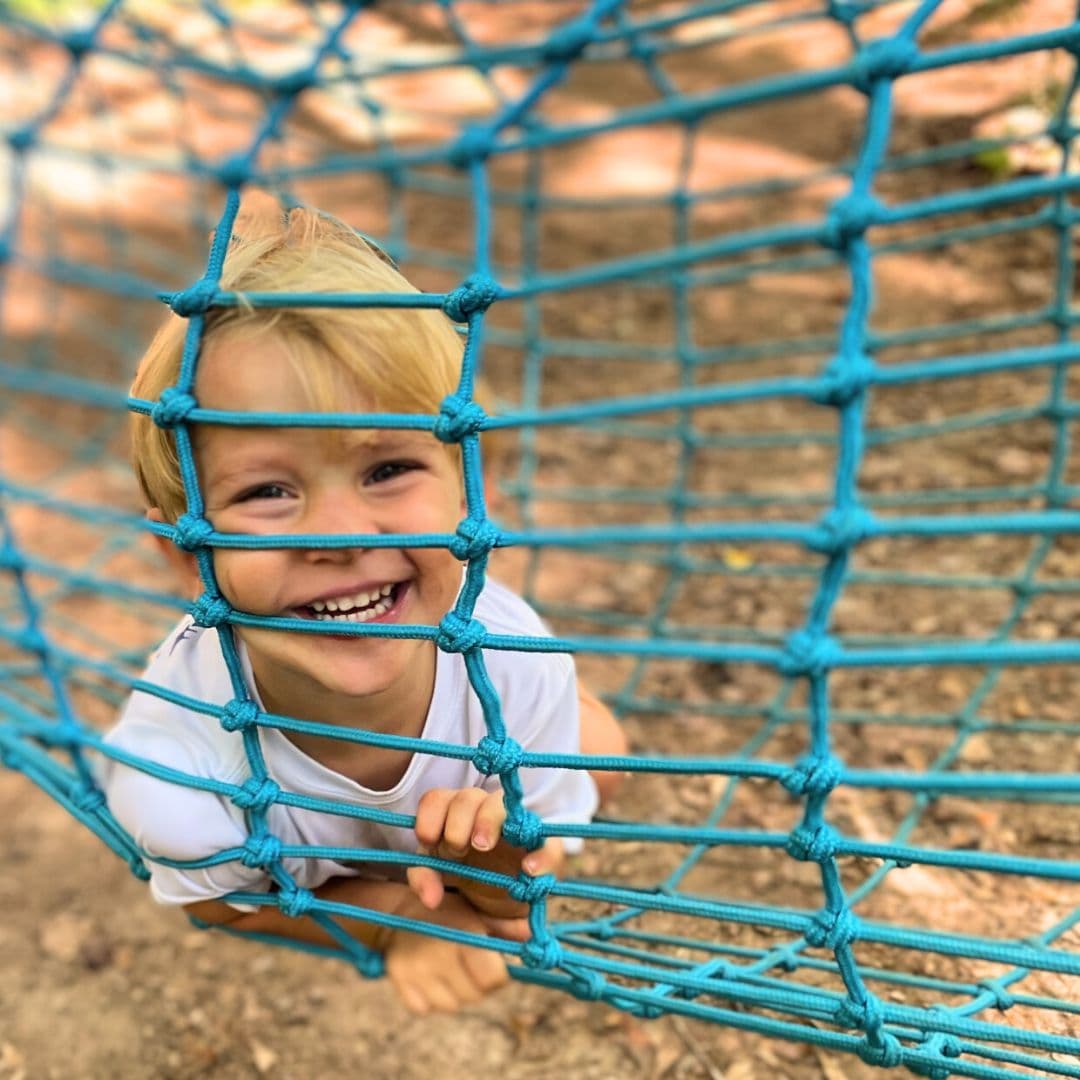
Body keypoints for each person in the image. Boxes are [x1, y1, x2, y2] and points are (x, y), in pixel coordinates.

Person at [101, 203, 626, 1015]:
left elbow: (520, 904)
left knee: (603, 750)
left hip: (484, 740)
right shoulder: (175, 770)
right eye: (268, 491)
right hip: (287, 811)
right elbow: (215, 902)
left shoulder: (514, 668)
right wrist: (397, 921)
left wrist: (485, 880)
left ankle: (560, 738)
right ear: (184, 552)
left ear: (469, 494)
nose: (342, 535)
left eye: (386, 469)